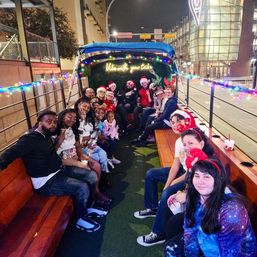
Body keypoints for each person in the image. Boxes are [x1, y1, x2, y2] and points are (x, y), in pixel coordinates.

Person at [0, 110, 106, 232]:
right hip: (46, 182)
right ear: (39, 122)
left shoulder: (46, 136)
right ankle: (80, 219)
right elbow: (9, 154)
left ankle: (87, 208)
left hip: (59, 171)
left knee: (91, 176)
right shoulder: (30, 139)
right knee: (81, 187)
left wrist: (59, 142)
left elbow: (52, 151)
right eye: (49, 121)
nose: (53, 124)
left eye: (55, 122)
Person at [135, 118, 215, 247]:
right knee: (151, 174)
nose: (187, 147)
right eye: (185, 144)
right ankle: (153, 208)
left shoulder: (206, 163)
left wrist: (184, 192)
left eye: (191, 143)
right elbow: (182, 168)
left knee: (167, 194)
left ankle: (158, 233)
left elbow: (202, 186)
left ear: (201, 144)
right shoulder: (192, 155)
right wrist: (171, 184)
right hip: (188, 180)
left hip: (201, 198)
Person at [167, 157, 257, 257]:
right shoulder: (195, 197)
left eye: (206, 177)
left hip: (224, 252)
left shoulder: (232, 211)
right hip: (205, 243)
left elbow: (230, 254)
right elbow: (190, 233)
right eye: (197, 176)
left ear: (218, 180)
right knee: (170, 248)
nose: (200, 181)